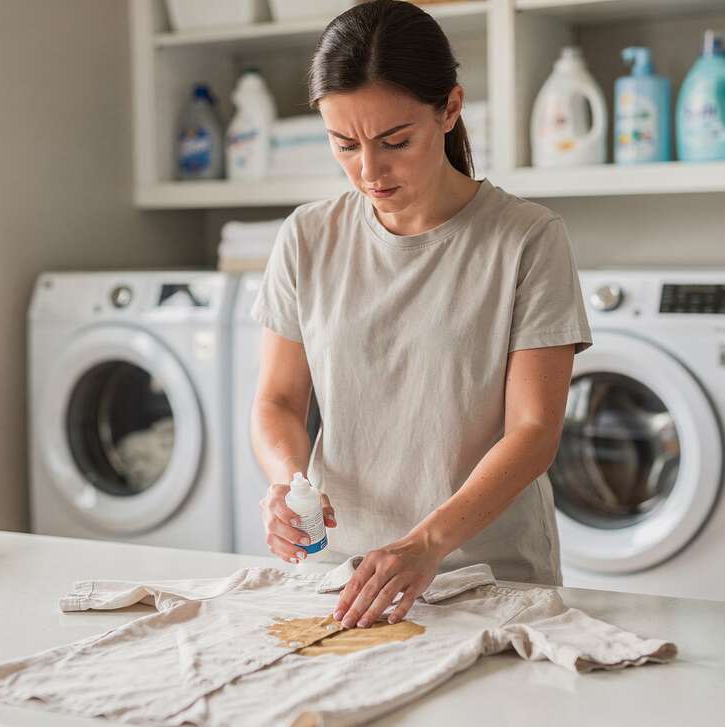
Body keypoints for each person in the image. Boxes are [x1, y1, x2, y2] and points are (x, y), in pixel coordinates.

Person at [250, 0, 591, 632]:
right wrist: (287, 482)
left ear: (450, 109)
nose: (369, 171)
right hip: (342, 582)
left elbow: (533, 431)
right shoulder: (307, 236)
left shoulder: (527, 239)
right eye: (344, 144)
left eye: (395, 142)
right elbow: (276, 400)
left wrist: (426, 544)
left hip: (488, 579)